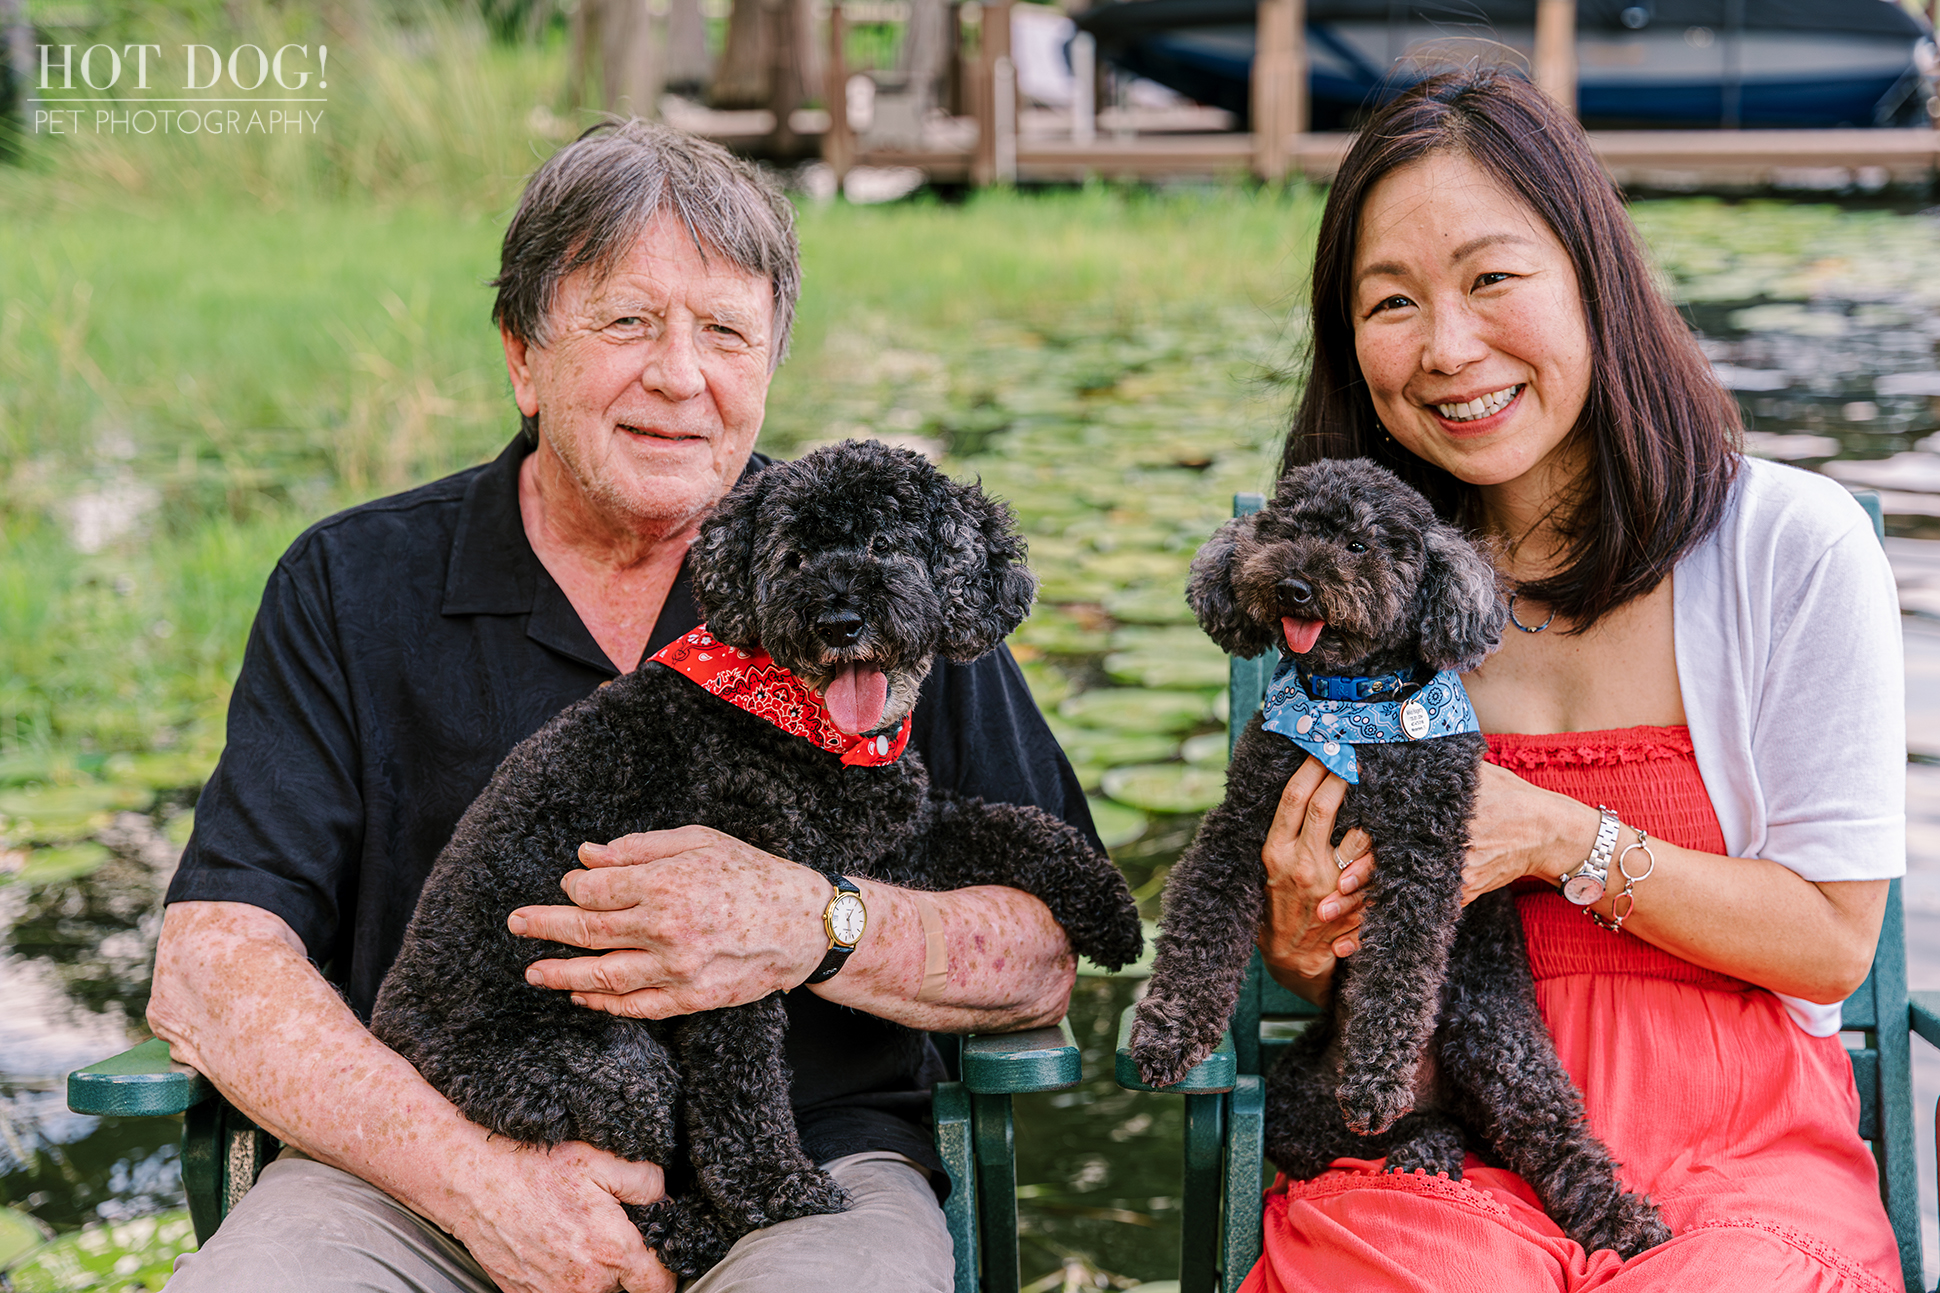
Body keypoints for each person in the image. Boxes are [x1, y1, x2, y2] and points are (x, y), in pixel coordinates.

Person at [147, 120, 1099, 1293]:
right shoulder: (352, 586)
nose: (678, 376)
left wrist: (817, 922)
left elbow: (1041, 951)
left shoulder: (884, 575)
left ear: (767, 368)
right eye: (626, 322)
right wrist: (477, 1182)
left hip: (809, 1183)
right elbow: (212, 960)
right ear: (522, 358)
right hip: (420, 1168)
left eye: (724, 333)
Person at [1246, 70, 1906, 1293]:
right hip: (1433, 1139)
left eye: (1492, 279)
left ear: (1592, 276)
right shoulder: (1347, 579)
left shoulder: (1787, 547)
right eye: (1389, 302)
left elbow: (1827, 944)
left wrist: (1556, 835)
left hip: (1735, 1145)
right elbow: (1328, 959)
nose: (1446, 348)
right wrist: (1298, 942)